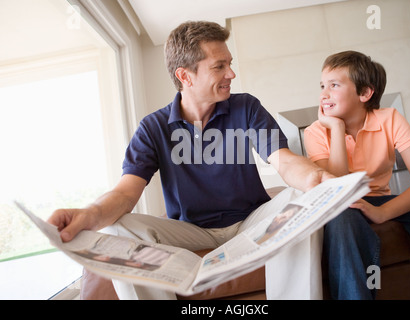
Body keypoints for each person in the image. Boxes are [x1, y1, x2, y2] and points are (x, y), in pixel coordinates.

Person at [48, 21, 333, 300]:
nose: (231, 73)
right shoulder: (153, 127)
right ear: (185, 76)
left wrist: (316, 180)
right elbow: (125, 193)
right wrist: (89, 215)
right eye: (219, 66)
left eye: (229, 63)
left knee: (300, 196)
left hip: (250, 220)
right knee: (118, 228)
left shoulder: (246, 107)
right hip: (192, 231)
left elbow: (283, 161)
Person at [304, 50, 410, 300]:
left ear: (365, 93)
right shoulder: (316, 132)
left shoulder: (390, 118)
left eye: (334, 85)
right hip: (340, 204)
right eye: (322, 86)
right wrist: (336, 128)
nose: (323, 94)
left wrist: (383, 212)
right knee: (342, 216)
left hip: (379, 201)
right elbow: (337, 191)